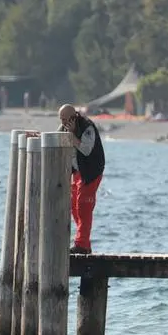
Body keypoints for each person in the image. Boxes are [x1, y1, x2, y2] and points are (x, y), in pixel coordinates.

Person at [58, 104, 106, 254]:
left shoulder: (87, 127)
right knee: (73, 205)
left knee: (84, 206)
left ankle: (82, 244)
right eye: (61, 119)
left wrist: (73, 136)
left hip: (91, 171)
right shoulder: (63, 127)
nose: (64, 122)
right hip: (77, 171)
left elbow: (86, 150)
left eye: (67, 119)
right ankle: (84, 241)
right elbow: (55, 137)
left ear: (74, 116)